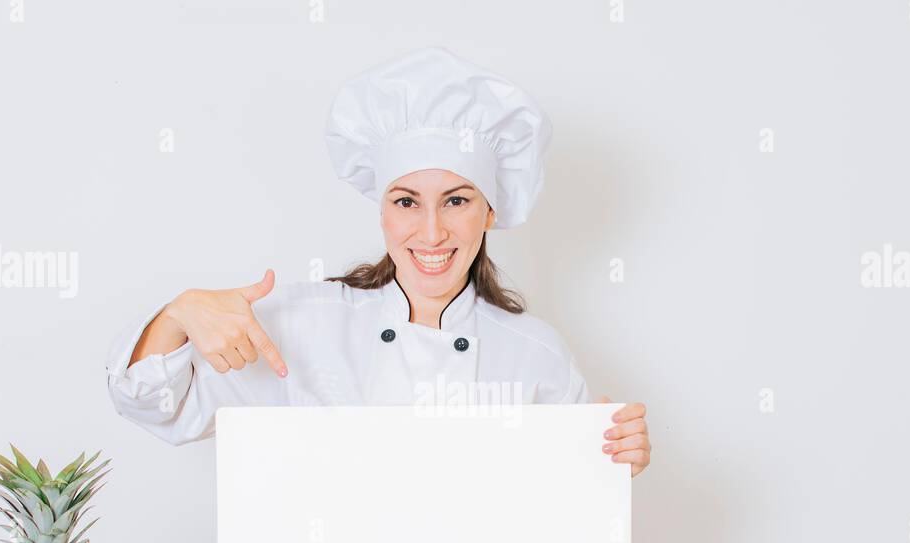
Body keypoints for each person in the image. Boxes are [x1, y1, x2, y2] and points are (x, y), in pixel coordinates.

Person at [105, 47, 651, 475]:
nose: (431, 231)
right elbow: (154, 405)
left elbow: (561, 510)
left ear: (490, 210)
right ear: (382, 209)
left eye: (456, 200)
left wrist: (613, 459)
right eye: (406, 201)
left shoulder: (537, 354)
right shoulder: (299, 326)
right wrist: (177, 316)